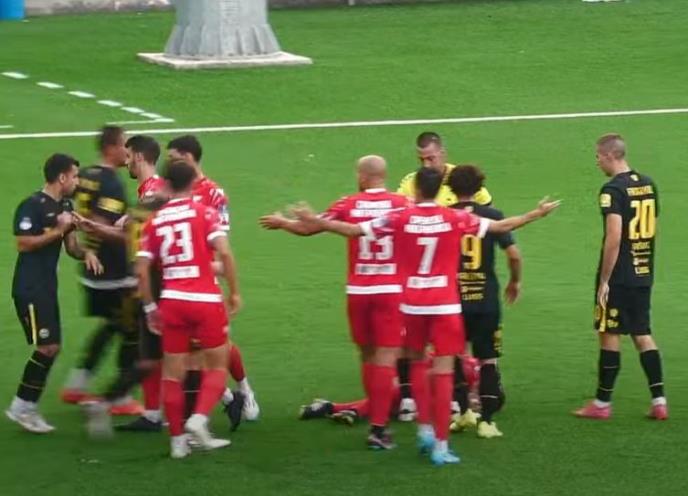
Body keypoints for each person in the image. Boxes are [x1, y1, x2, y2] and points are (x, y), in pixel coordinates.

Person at [294, 167, 559, 465]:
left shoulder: (399, 217)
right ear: (438, 190)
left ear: (417, 189)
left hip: (411, 305)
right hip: (445, 306)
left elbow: (354, 231)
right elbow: (501, 226)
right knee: (444, 372)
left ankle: (424, 430)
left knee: (417, 363)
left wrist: (317, 221)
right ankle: (441, 445)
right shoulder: (454, 218)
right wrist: (536, 213)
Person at [260, 155, 408, 449]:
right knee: (386, 358)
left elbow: (308, 228)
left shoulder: (348, 203)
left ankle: (374, 412)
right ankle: (379, 427)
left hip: (359, 292)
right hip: (391, 291)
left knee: (367, 356)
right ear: (384, 175)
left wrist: (282, 222)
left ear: (363, 176)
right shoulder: (402, 204)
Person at [137, 160, 242, 458]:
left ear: (166, 184)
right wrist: (234, 292)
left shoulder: (154, 221)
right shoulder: (205, 213)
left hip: (172, 301)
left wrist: (150, 307)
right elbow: (225, 253)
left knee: (172, 373)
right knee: (217, 365)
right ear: (193, 184)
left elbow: (142, 269)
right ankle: (198, 419)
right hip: (205, 299)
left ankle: (177, 442)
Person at [395, 131, 493, 421]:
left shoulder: (462, 179)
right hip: (428, 273)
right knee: (413, 340)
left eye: (431, 157)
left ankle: (463, 396)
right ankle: (412, 397)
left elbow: (485, 216)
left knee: (457, 339)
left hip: (460, 270)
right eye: (421, 159)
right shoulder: (411, 182)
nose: (426, 164)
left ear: (443, 154)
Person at [6, 153, 102, 433]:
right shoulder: (31, 205)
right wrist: (58, 229)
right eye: (75, 176)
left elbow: (71, 247)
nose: (77, 181)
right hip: (30, 287)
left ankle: (25, 407)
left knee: (51, 347)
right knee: (47, 347)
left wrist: (87, 252)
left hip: (47, 287)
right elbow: (24, 243)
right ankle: (22, 408)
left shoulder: (65, 205)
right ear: (62, 177)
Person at [574, 134, 667, 420]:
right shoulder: (648, 184)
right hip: (643, 271)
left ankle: (602, 404)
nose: (597, 161)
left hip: (620, 274)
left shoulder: (612, 190)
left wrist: (605, 280)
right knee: (642, 333)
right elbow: (652, 229)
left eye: (598, 156)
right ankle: (659, 401)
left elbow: (614, 237)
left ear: (610, 155)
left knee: (609, 333)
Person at [167, 135, 259, 422]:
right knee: (188, 351)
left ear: (188, 158)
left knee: (216, 345)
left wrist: (211, 269)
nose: (168, 165)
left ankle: (243, 390)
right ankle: (222, 401)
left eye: (173, 159)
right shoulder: (168, 190)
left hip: (204, 283)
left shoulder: (214, 194)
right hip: (177, 281)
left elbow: (220, 246)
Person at [61, 126, 142, 416]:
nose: (127, 151)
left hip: (92, 270)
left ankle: (77, 384)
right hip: (114, 274)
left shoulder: (85, 175)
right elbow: (100, 224)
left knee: (112, 325)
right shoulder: (111, 183)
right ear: (110, 148)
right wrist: (134, 234)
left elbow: (78, 214)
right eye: (124, 145)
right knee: (134, 330)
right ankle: (120, 398)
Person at [447, 165, 522, 438]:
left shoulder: (446, 216)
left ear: (450, 188)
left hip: (454, 299)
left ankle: (463, 412)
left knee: (455, 354)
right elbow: (514, 255)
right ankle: (487, 422)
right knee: (488, 358)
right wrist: (515, 281)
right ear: (479, 188)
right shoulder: (493, 216)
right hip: (486, 299)